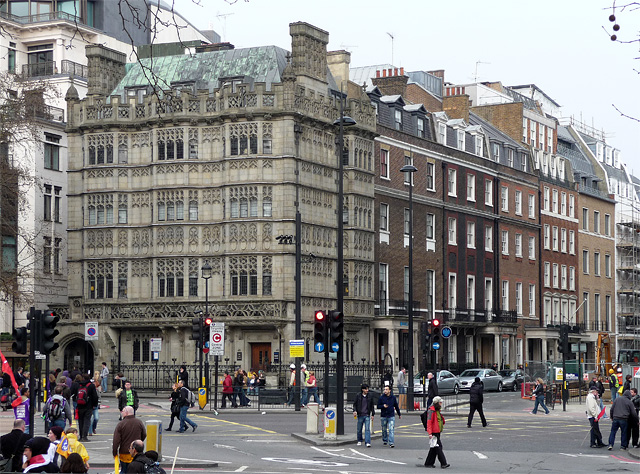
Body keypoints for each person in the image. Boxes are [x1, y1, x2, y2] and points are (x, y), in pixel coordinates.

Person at [113, 406, 146, 473]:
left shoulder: (121, 424)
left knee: (124, 470)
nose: (121, 413)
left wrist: (114, 452)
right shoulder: (139, 422)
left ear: (126, 412)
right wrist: (138, 442)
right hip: (136, 453)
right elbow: (144, 434)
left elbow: (116, 440)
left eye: (122, 411)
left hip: (124, 452)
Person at [423, 396, 450, 469]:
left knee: (434, 447)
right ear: (437, 403)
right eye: (440, 402)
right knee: (438, 447)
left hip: (437, 431)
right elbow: (429, 422)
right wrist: (430, 433)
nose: (441, 404)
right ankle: (443, 463)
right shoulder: (431, 411)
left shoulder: (437, 410)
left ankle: (428, 463)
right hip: (434, 432)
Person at [76, 374, 98, 441]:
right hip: (88, 406)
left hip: (79, 405)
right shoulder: (91, 386)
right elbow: (95, 396)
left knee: (80, 421)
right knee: (87, 421)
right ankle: (84, 436)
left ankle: (80, 436)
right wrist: (95, 405)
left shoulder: (78, 385)